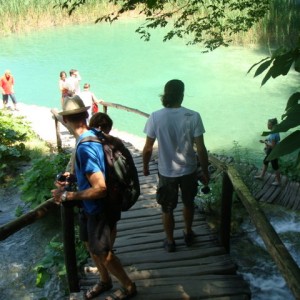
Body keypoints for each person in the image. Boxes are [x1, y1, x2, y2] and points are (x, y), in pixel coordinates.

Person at [51, 96, 137, 300]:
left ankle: (129, 286)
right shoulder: (92, 136)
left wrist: (67, 195)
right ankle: (105, 281)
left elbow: (100, 188)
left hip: (98, 208)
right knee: (91, 246)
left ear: (65, 121)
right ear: (86, 115)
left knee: (104, 252)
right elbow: (97, 171)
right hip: (89, 207)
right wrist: (73, 177)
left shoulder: (85, 147)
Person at [142, 79, 209, 252]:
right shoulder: (193, 116)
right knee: (188, 203)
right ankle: (187, 233)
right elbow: (201, 148)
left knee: (167, 208)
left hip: (166, 172)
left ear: (165, 94)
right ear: (182, 94)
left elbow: (148, 147)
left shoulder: (155, 117)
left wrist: (145, 167)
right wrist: (205, 170)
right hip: (189, 170)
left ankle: (170, 241)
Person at [254, 118, 281, 186]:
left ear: (273, 125)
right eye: (267, 124)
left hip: (273, 152)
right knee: (265, 162)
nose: (267, 126)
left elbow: (273, 146)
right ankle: (262, 176)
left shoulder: (274, 134)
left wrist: (264, 142)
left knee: (275, 166)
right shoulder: (274, 131)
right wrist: (266, 140)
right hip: (271, 151)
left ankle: (278, 181)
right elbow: (272, 141)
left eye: (269, 125)